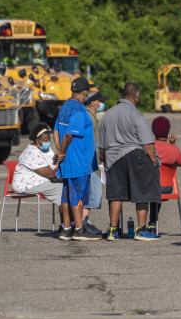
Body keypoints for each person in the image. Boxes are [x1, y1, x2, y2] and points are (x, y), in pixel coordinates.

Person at [97, 82, 161, 242]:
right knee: (142, 192)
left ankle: (113, 230)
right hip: (135, 156)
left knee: (116, 195)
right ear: (135, 96)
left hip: (113, 158)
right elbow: (147, 143)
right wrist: (154, 161)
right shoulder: (136, 114)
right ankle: (141, 229)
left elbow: (101, 145)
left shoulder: (108, 115)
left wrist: (104, 161)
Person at [53, 77, 100, 241]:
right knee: (78, 196)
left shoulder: (65, 107)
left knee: (66, 195)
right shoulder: (79, 110)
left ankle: (66, 228)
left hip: (67, 162)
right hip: (79, 160)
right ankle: (79, 229)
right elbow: (69, 134)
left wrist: (59, 150)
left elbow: (56, 131)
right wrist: (62, 151)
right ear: (84, 92)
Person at [11, 123, 65, 225]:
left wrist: (58, 161)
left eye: (49, 140)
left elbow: (54, 167)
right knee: (63, 190)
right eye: (45, 140)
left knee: (66, 188)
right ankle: (66, 225)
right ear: (37, 141)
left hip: (41, 181)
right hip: (28, 184)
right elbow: (50, 173)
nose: (48, 142)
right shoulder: (31, 152)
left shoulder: (47, 150)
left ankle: (67, 224)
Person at [148, 116, 181, 237]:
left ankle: (150, 224)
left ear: (153, 131)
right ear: (168, 131)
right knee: (157, 191)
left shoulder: (149, 148)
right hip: (167, 187)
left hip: (149, 187)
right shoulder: (172, 149)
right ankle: (153, 223)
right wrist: (173, 144)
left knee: (152, 189)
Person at [81, 90, 110, 235]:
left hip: (92, 160)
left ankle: (83, 221)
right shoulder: (89, 118)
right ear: (93, 102)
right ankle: (83, 222)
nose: (102, 103)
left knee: (91, 193)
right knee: (92, 193)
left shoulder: (90, 115)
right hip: (89, 162)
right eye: (100, 101)